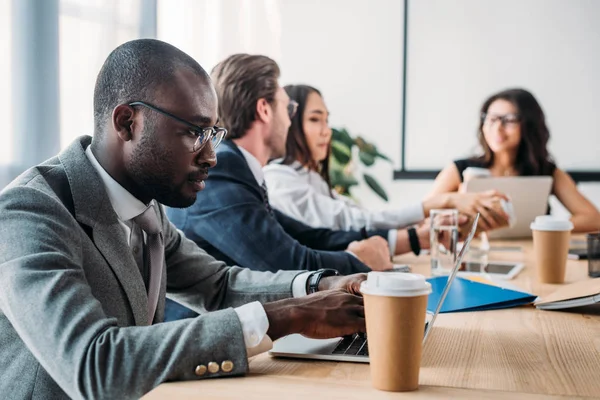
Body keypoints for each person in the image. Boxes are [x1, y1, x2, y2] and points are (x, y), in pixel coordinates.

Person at [0, 39, 369, 400]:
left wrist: (323, 287)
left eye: (212, 133)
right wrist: (285, 317)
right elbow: (95, 363)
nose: (211, 156)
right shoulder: (29, 212)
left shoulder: (146, 205)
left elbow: (219, 286)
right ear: (128, 122)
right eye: (194, 132)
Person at [166, 54, 437, 281]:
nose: (290, 122)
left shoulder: (239, 168)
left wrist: (400, 241)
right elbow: (284, 263)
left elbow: (307, 236)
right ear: (265, 110)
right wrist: (356, 260)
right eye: (288, 109)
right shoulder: (221, 169)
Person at [263, 84, 510, 233]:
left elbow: (361, 217)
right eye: (315, 119)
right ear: (289, 122)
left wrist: (425, 226)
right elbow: (351, 222)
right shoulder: (280, 179)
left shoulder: (310, 178)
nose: (327, 131)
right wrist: (440, 202)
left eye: (327, 120)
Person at [428, 88, 600, 233]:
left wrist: (546, 228)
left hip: (532, 256)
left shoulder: (545, 171)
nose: (497, 128)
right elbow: (424, 216)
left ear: (529, 126)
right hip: (476, 256)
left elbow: (593, 219)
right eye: (491, 119)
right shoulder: (459, 169)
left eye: (509, 120)